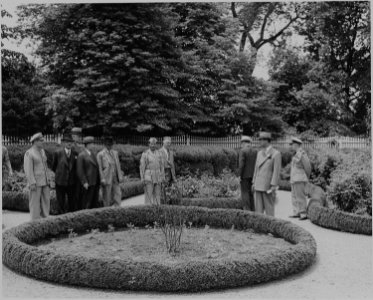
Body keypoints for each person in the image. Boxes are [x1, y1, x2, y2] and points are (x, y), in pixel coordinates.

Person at [252, 132, 281, 216]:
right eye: (259, 139)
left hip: (267, 186)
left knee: (269, 210)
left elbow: (276, 171)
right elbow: (256, 169)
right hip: (258, 184)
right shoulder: (259, 153)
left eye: (261, 140)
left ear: (267, 141)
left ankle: (271, 228)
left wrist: (273, 185)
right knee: (258, 210)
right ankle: (259, 228)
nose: (260, 141)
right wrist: (254, 182)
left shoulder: (276, 154)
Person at [23, 132, 51, 220]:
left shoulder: (42, 151)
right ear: (35, 141)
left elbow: (45, 167)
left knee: (46, 201)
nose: (43, 142)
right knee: (34, 203)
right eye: (41, 141)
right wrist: (32, 183)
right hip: (35, 183)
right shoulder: (29, 153)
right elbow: (28, 170)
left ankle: (45, 220)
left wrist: (48, 179)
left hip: (44, 181)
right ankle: (34, 222)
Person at [51, 134, 77, 213]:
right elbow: (53, 167)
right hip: (60, 181)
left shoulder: (75, 153)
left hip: (71, 182)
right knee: (60, 202)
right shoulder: (58, 153)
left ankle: (71, 218)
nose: (69, 143)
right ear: (64, 143)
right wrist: (60, 174)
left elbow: (76, 167)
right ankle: (61, 218)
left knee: (71, 202)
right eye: (67, 142)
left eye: (71, 142)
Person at [289, 137, 312, 220]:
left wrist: (306, 177)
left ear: (296, 145)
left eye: (292, 144)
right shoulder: (296, 154)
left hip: (299, 178)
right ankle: (296, 212)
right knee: (294, 196)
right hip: (294, 178)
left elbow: (308, 167)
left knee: (300, 196)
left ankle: (303, 213)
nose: (291, 146)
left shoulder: (302, 154)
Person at [97, 136, 123, 207]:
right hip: (106, 177)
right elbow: (99, 168)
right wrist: (102, 178)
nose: (109, 145)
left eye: (111, 144)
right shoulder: (100, 154)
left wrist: (120, 176)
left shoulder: (115, 153)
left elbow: (118, 165)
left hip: (115, 177)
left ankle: (118, 209)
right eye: (108, 144)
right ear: (105, 144)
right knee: (107, 196)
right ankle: (107, 210)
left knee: (118, 194)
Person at [76, 136, 100, 209]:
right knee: (87, 202)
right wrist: (84, 182)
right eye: (92, 144)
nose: (93, 145)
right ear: (88, 145)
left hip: (95, 181)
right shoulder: (82, 155)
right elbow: (80, 170)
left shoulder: (93, 154)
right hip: (88, 182)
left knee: (94, 202)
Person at [140, 138, 165, 205]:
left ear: (156, 144)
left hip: (158, 176)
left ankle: (157, 211)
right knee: (148, 196)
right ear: (149, 144)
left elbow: (162, 166)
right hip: (148, 176)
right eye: (151, 144)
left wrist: (163, 176)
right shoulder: (145, 154)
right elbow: (142, 167)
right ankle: (147, 211)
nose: (153, 145)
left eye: (154, 144)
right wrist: (142, 178)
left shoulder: (159, 153)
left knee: (157, 196)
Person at [238, 136, 257, 211]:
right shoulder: (255, 151)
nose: (241, 145)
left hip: (244, 176)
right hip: (253, 176)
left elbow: (241, 165)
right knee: (251, 193)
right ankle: (253, 210)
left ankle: (246, 210)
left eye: (241, 143)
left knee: (245, 193)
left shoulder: (242, 151)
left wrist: (239, 175)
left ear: (244, 143)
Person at [159, 136, 176, 204]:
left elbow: (173, 165)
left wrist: (174, 176)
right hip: (164, 173)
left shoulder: (171, 152)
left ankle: (169, 205)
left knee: (171, 191)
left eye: (170, 143)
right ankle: (163, 205)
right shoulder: (159, 152)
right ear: (163, 142)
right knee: (163, 192)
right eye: (167, 143)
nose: (169, 144)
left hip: (171, 173)